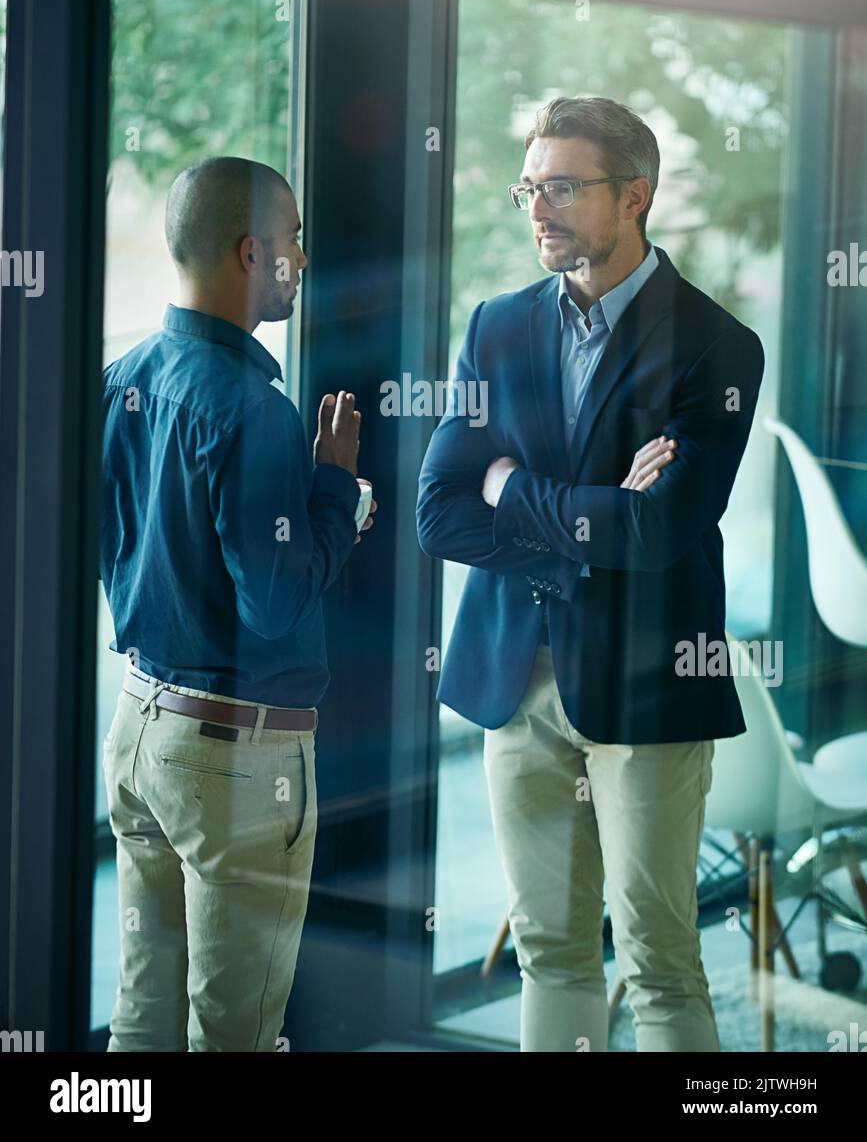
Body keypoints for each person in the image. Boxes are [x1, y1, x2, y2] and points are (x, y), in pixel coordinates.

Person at [416, 96, 764, 1052]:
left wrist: (509, 485)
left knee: (656, 957)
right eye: (530, 188)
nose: (539, 209)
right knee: (550, 950)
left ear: (634, 196)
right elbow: (439, 510)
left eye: (564, 188)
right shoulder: (495, 328)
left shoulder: (716, 347)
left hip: (645, 689)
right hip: (516, 680)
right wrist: (591, 504)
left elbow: (660, 532)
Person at [100, 156, 376, 1051]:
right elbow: (277, 602)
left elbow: (114, 549)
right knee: (235, 1035)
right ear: (252, 253)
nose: (303, 255)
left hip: (140, 729)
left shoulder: (122, 377)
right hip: (234, 759)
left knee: (142, 1012)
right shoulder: (255, 411)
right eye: (293, 239)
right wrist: (336, 491)